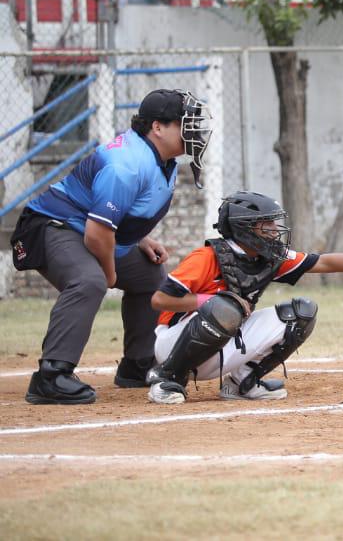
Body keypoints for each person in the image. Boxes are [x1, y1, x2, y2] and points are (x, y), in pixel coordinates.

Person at [14, 88, 212, 404]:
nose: (193, 129)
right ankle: (51, 375)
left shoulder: (160, 158)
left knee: (150, 275)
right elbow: (96, 234)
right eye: (183, 122)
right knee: (89, 280)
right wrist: (108, 273)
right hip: (48, 225)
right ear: (157, 127)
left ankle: (138, 364)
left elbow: (113, 212)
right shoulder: (128, 163)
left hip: (83, 225)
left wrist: (139, 239)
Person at [145, 191, 343, 404]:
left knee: (301, 313)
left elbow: (322, 263)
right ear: (245, 228)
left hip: (221, 342)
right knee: (225, 307)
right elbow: (159, 300)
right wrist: (208, 301)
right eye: (267, 224)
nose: (275, 229)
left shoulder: (267, 258)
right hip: (175, 344)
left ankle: (241, 383)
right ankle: (167, 378)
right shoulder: (207, 257)